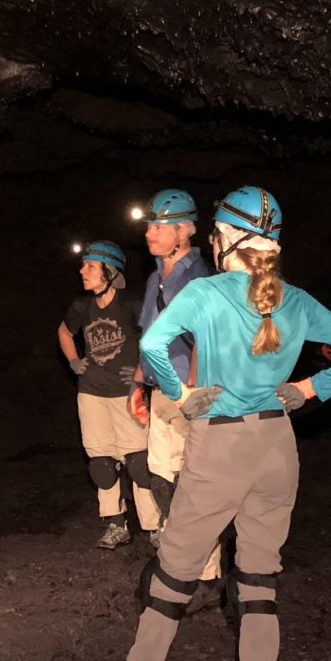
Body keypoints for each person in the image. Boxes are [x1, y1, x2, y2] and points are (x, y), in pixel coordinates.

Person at [83, 186, 331, 661]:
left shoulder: (206, 291)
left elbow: (151, 342)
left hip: (220, 446)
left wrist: (183, 393)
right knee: (259, 582)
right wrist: (306, 389)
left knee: (175, 574)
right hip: (277, 447)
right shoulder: (295, 300)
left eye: (217, 235)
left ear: (226, 239)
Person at [131, 189, 220, 611]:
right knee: (161, 479)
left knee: (193, 484)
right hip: (160, 390)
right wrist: (137, 384)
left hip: (187, 391)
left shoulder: (199, 276)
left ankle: (206, 576)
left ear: (184, 231)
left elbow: (205, 338)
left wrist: (194, 395)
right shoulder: (154, 278)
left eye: (158, 226)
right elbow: (148, 335)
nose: (150, 233)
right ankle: (177, 563)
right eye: (148, 225)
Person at [58, 241, 156, 550]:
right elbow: (64, 332)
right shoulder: (82, 306)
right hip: (91, 393)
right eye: (84, 264)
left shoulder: (132, 304)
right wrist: (74, 361)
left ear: (109, 272)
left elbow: (156, 336)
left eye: (90, 265)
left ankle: (154, 526)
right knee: (100, 463)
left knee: (139, 462)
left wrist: (144, 370)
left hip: (128, 394)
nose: (82, 270)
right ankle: (116, 525)